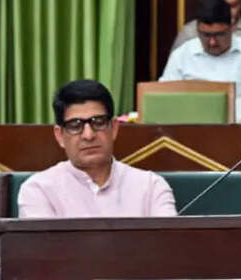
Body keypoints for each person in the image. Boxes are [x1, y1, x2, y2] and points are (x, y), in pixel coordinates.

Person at [18, 80, 176, 218]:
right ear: (60, 135)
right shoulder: (38, 190)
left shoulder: (151, 187)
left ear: (114, 128)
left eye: (98, 122)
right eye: (75, 125)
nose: (88, 135)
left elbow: (167, 242)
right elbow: (43, 245)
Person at [161, 0, 241, 121]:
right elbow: (164, 100)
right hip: (190, 126)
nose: (212, 42)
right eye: (206, 35)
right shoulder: (181, 55)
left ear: (231, 28)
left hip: (239, 128)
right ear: (197, 30)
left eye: (219, 35)